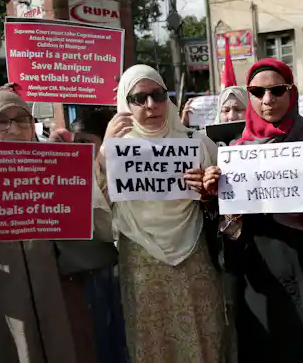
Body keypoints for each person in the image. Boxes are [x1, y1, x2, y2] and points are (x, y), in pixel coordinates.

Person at [203, 58, 303, 363]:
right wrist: (214, 195)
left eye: (277, 90)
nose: (267, 100)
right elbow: (229, 226)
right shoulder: (235, 150)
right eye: (257, 92)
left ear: (292, 92)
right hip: (260, 272)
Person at [95, 65, 225, 363]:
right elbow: (97, 205)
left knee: (203, 330)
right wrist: (104, 151)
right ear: (124, 105)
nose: (151, 105)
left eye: (157, 95)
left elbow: (225, 200)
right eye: (139, 98)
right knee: (153, 340)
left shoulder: (196, 143)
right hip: (141, 258)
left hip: (193, 254)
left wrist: (208, 188)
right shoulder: (115, 151)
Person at [0, 85, 79, 363]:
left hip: (49, 298)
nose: (14, 129)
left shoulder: (54, 170)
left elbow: (86, 235)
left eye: (23, 119)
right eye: (1, 121)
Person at [51, 109, 129, 363]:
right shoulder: (61, 171)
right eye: (74, 143)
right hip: (76, 278)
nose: (77, 149)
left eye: (86, 142)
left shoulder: (119, 168)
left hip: (109, 271)